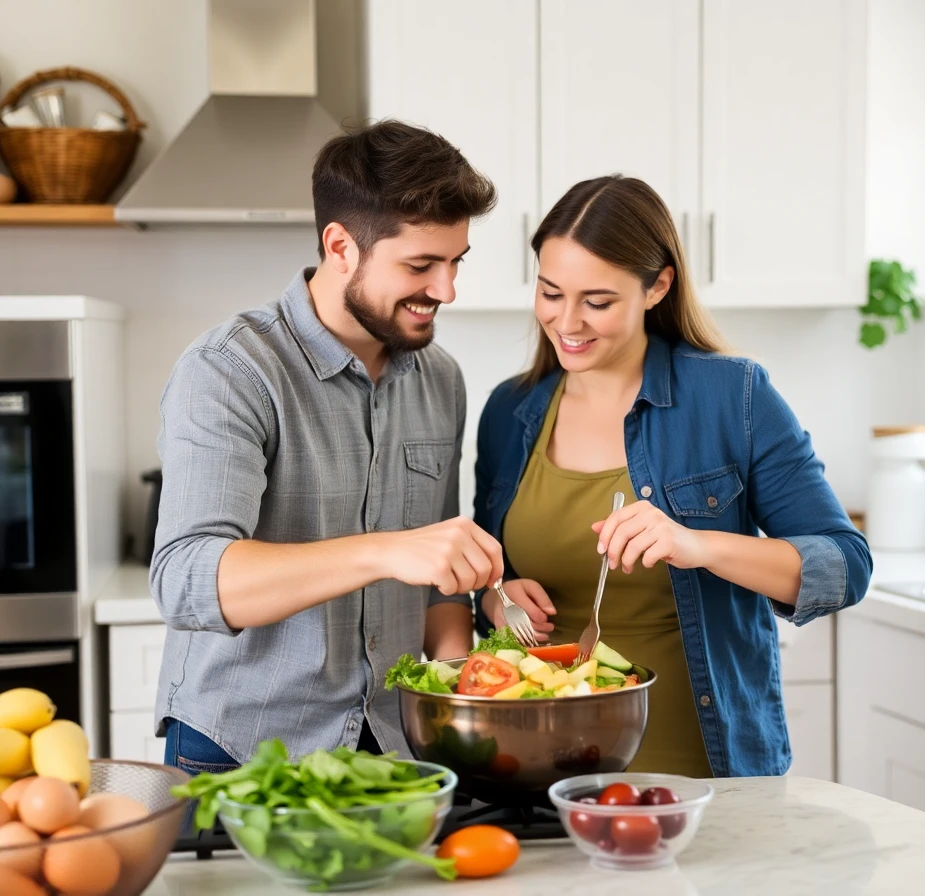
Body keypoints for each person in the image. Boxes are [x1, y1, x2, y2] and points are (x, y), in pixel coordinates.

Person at [473, 175, 872, 777]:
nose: (568, 322)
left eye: (598, 301)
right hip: (540, 771)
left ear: (657, 285)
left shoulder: (731, 395)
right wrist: (496, 600)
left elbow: (845, 566)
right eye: (551, 292)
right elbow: (487, 571)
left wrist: (696, 545)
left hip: (699, 769)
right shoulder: (511, 410)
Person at [151, 119, 505, 775]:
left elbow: (439, 583)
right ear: (340, 246)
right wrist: (386, 550)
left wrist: (463, 682)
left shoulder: (441, 379)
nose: (447, 290)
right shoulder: (231, 369)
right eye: (420, 265)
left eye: (455, 262)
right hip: (241, 753)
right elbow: (188, 580)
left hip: (396, 746)